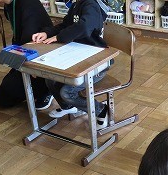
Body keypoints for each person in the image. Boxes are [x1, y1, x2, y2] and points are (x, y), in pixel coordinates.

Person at [31, 0, 110, 128]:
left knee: (67, 92)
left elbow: (84, 26)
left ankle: (100, 109)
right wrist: (47, 33)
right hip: (80, 57)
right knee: (50, 80)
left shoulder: (91, 5)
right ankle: (70, 107)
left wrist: (59, 37)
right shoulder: (76, 5)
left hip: (97, 64)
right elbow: (65, 25)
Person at [0, 0, 54, 110]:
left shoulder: (28, 4)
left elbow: (29, 40)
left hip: (41, 57)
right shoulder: (9, 5)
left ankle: (48, 88)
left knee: (5, 97)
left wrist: (28, 67)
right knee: (3, 97)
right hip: (25, 51)